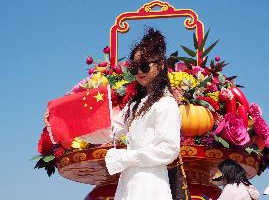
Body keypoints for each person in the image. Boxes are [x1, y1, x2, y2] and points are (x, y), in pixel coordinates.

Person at [44, 28, 182, 200]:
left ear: (161, 65)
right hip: (129, 181)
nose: (139, 71)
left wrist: (127, 156)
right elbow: (110, 131)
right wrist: (66, 124)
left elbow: (169, 149)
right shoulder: (135, 105)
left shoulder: (166, 104)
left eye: (145, 65)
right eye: (134, 67)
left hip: (150, 184)